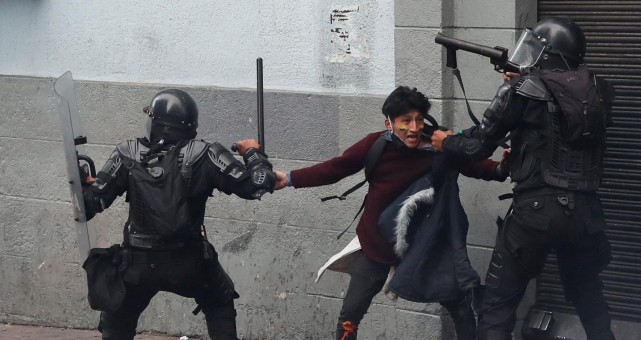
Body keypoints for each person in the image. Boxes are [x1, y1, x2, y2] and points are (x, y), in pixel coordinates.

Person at [274, 86, 509, 340]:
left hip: (425, 246)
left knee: (460, 307)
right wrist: (288, 178)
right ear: (390, 123)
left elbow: (478, 166)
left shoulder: (440, 146)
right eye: (405, 121)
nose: (414, 128)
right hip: (378, 244)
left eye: (419, 120)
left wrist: (503, 168)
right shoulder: (375, 146)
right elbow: (334, 169)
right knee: (350, 316)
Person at [432, 18, 616, 340]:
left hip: (535, 212)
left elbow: (476, 146)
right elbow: (561, 116)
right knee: (589, 297)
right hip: (586, 214)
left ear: (549, 54)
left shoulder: (520, 91)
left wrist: (444, 141)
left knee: (497, 307)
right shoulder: (602, 91)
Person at [81, 89, 277, 340]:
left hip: (138, 264)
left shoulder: (127, 152)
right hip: (189, 262)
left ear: (157, 124)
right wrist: (252, 152)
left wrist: (85, 183)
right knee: (220, 301)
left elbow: (93, 203)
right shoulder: (206, 154)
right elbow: (258, 184)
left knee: (117, 318)